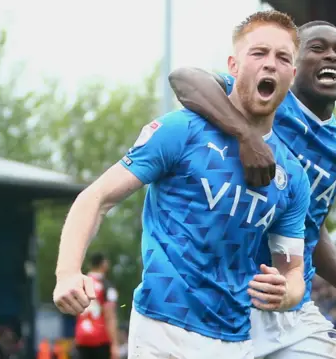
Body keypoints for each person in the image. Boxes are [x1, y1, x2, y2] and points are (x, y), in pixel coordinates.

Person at [53, 10, 312, 359]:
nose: (270, 64)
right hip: (163, 331)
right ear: (233, 65)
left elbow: (293, 269)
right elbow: (96, 197)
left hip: (238, 340)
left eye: (283, 58)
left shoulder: (293, 175)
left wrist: (288, 293)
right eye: (259, 53)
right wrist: (67, 272)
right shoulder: (182, 130)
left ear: (292, 75)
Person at [169, 20, 336, 359]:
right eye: (317, 48)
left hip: (287, 305)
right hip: (221, 295)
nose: (332, 56)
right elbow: (185, 78)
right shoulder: (264, 101)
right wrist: (247, 136)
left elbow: (311, 227)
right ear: (293, 63)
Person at [73, 253, 119, 359]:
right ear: (104, 265)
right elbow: (110, 316)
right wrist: (115, 344)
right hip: (100, 338)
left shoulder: (80, 284)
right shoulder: (106, 285)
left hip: (82, 336)